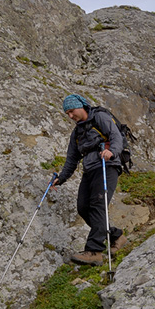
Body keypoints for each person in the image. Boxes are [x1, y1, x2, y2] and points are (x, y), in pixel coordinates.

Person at [54, 94, 127, 265]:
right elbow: (72, 159)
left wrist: (112, 152)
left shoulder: (100, 117)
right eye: (67, 114)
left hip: (107, 166)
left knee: (98, 205)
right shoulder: (77, 132)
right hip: (89, 170)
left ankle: (94, 251)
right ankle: (117, 236)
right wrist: (61, 178)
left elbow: (116, 137)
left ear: (81, 106)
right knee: (83, 207)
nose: (71, 116)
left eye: (72, 112)